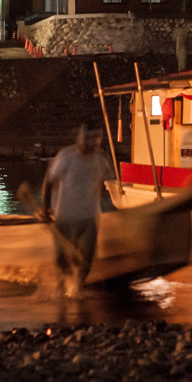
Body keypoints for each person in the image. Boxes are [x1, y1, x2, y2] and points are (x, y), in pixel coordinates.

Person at [42, 124, 115, 296]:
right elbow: (49, 182)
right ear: (81, 140)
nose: (94, 145)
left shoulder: (101, 160)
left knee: (87, 259)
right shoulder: (67, 157)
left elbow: (108, 185)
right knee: (61, 259)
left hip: (89, 217)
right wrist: (45, 209)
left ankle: (76, 289)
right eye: (90, 140)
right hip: (65, 216)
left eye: (97, 141)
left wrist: (115, 208)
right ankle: (63, 285)